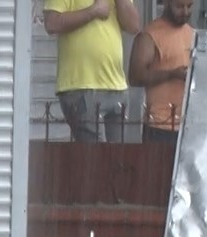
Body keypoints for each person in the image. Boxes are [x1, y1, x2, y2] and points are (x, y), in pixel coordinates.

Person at [44, 0, 141, 143]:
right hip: (81, 86)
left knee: (118, 159)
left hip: (116, 85)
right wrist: (92, 11)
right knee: (94, 158)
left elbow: (133, 26)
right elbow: (52, 22)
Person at [127, 0, 194, 145]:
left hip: (187, 124)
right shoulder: (149, 35)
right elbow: (135, 77)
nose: (185, 12)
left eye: (189, 6)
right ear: (166, 3)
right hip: (160, 124)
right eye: (179, 6)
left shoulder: (191, 33)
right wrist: (172, 74)